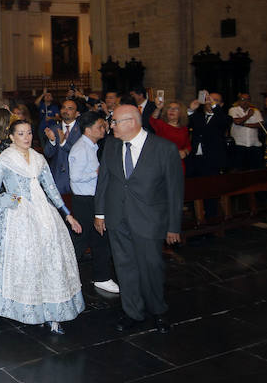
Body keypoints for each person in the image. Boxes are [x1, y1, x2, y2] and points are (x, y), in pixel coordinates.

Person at [0, 120, 84, 334]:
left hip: (43, 214)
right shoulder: (5, 160)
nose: (26, 137)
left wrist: (68, 215)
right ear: (13, 137)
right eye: (21, 134)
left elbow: (51, 190)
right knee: (9, 261)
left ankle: (51, 312)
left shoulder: (39, 158)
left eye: (29, 133)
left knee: (47, 261)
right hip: (15, 212)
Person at [94, 104, 183, 334]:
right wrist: (100, 213)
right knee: (124, 267)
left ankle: (158, 311)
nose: (110, 126)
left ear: (131, 122)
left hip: (149, 221)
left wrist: (174, 226)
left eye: (114, 122)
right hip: (117, 218)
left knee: (151, 267)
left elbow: (175, 191)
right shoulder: (111, 145)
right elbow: (104, 180)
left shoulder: (164, 149)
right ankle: (132, 311)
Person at [68, 111, 119, 293]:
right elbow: (75, 177)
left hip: (92, 199)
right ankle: (63, 275)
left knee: (99, 239)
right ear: (88, 130)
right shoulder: (81, 148)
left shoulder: (92, 146)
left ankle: (102, 277)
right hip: (85, 200)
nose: (104, 129)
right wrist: (98, 173)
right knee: (81, 240)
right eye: (100, 126)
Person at [42, 98, 83, 195]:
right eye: (64, 108)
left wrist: (63, 142)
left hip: (77, 177)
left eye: (70, 108)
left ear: (77, 113)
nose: (66, 111)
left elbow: (78, 153)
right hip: (58, 177)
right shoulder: (54, 129)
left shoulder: (82, 130)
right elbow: (48, 153)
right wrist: (52, 141)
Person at [187, 92, 229, 177]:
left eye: (215, 100)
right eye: (208, 99)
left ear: (221, 104)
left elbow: (223, 121)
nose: (210, 102)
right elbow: (186, 123)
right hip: (195, 159)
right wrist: (191, 109)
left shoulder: (225, 118)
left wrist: (213, 104)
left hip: (213, 160)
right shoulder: (198, 117)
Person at [149, 99, 191, 174]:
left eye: (176, 109)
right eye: (169, 108)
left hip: (177, 164)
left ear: (181, 113)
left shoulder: (184, 128)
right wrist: (158, 108)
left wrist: (185, 152)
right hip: (162, 162)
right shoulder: (161, 125)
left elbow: (188, 146)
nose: (172, 110)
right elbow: (152, 119)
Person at [228, 93, 263, 171]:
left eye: (247, 100)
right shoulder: (233, 110)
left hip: (254, 145)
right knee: (239, 170)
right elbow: (237, 122)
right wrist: (248, 115)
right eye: (243, 99)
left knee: (255, 170)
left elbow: (260, 125)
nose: (245, 102)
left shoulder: (255, 111)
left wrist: (243, 124)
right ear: (239, 101)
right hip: (239, 145)